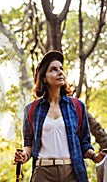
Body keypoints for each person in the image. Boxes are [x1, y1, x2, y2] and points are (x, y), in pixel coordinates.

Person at [14, 51, 106, 182]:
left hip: (73, 172)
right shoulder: (32, 109)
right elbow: (29, 144)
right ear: (44, 78)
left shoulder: (78, 106)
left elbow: (84, 143)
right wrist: (24, 155)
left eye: (61, 69)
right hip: (43, 173)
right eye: (53, 69)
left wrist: (95, 156)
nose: (60, 72)